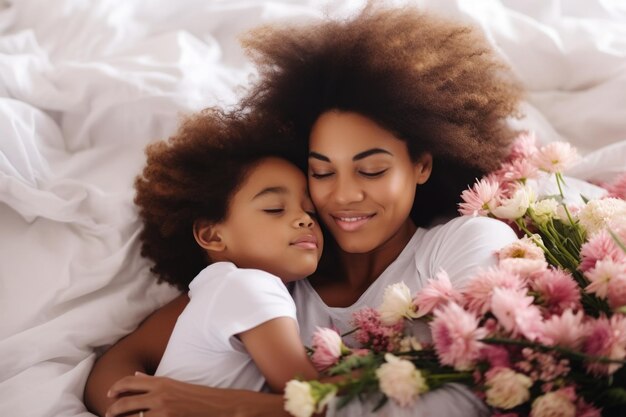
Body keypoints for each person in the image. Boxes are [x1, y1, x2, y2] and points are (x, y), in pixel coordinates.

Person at [84, 5, 523, 417]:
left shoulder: (468, 241)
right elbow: (123, 358)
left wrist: (225, 407)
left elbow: (481, 389)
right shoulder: (279, 273)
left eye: (370, 170)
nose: (344, 196)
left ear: (422, 165)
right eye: (322, 172)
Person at [129, 108, 323, 395]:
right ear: (212, 235)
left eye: (310, 209)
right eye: (275, 209)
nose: (305, 218)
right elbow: (309, 398)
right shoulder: (247, 285)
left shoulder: (216, 291)